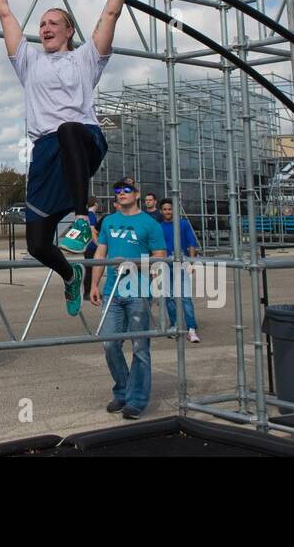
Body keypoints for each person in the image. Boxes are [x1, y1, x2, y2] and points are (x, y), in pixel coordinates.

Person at [0, 0, 131, 317]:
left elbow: (112, 11)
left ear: (69, 30)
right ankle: (69, 275)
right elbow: (5, 13)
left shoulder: (86, 59)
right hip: (46, 154)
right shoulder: (28, 61)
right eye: (42, 24)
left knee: (68, 127)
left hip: (84, 140)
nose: (45, 28)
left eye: (53, 23)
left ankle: (82, 219)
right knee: (36, 244)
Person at [89, 179, 166, 419]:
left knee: (140, 347)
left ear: (137, 194)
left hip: (138, 292)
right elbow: (101, 252)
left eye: (126, 190)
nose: (121, 194)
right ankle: (122, 390)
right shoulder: (109, 222)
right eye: (118, 192)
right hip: (112, 292)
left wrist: (136, 265)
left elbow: (160, 257)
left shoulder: (149, 224)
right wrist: (94, 283)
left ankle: (137, 400)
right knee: (110, 344)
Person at [157, 199, 201, 342]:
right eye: (165, 209)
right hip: (165, 264)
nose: (167, 212)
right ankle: (175, 325)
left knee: (185, 297)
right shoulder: (159, 227)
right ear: (161, 211)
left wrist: (191, 262)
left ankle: (191, 329)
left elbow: (191, 243)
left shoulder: (183, 224)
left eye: (170, 209)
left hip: (181, 262)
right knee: (169, 297)